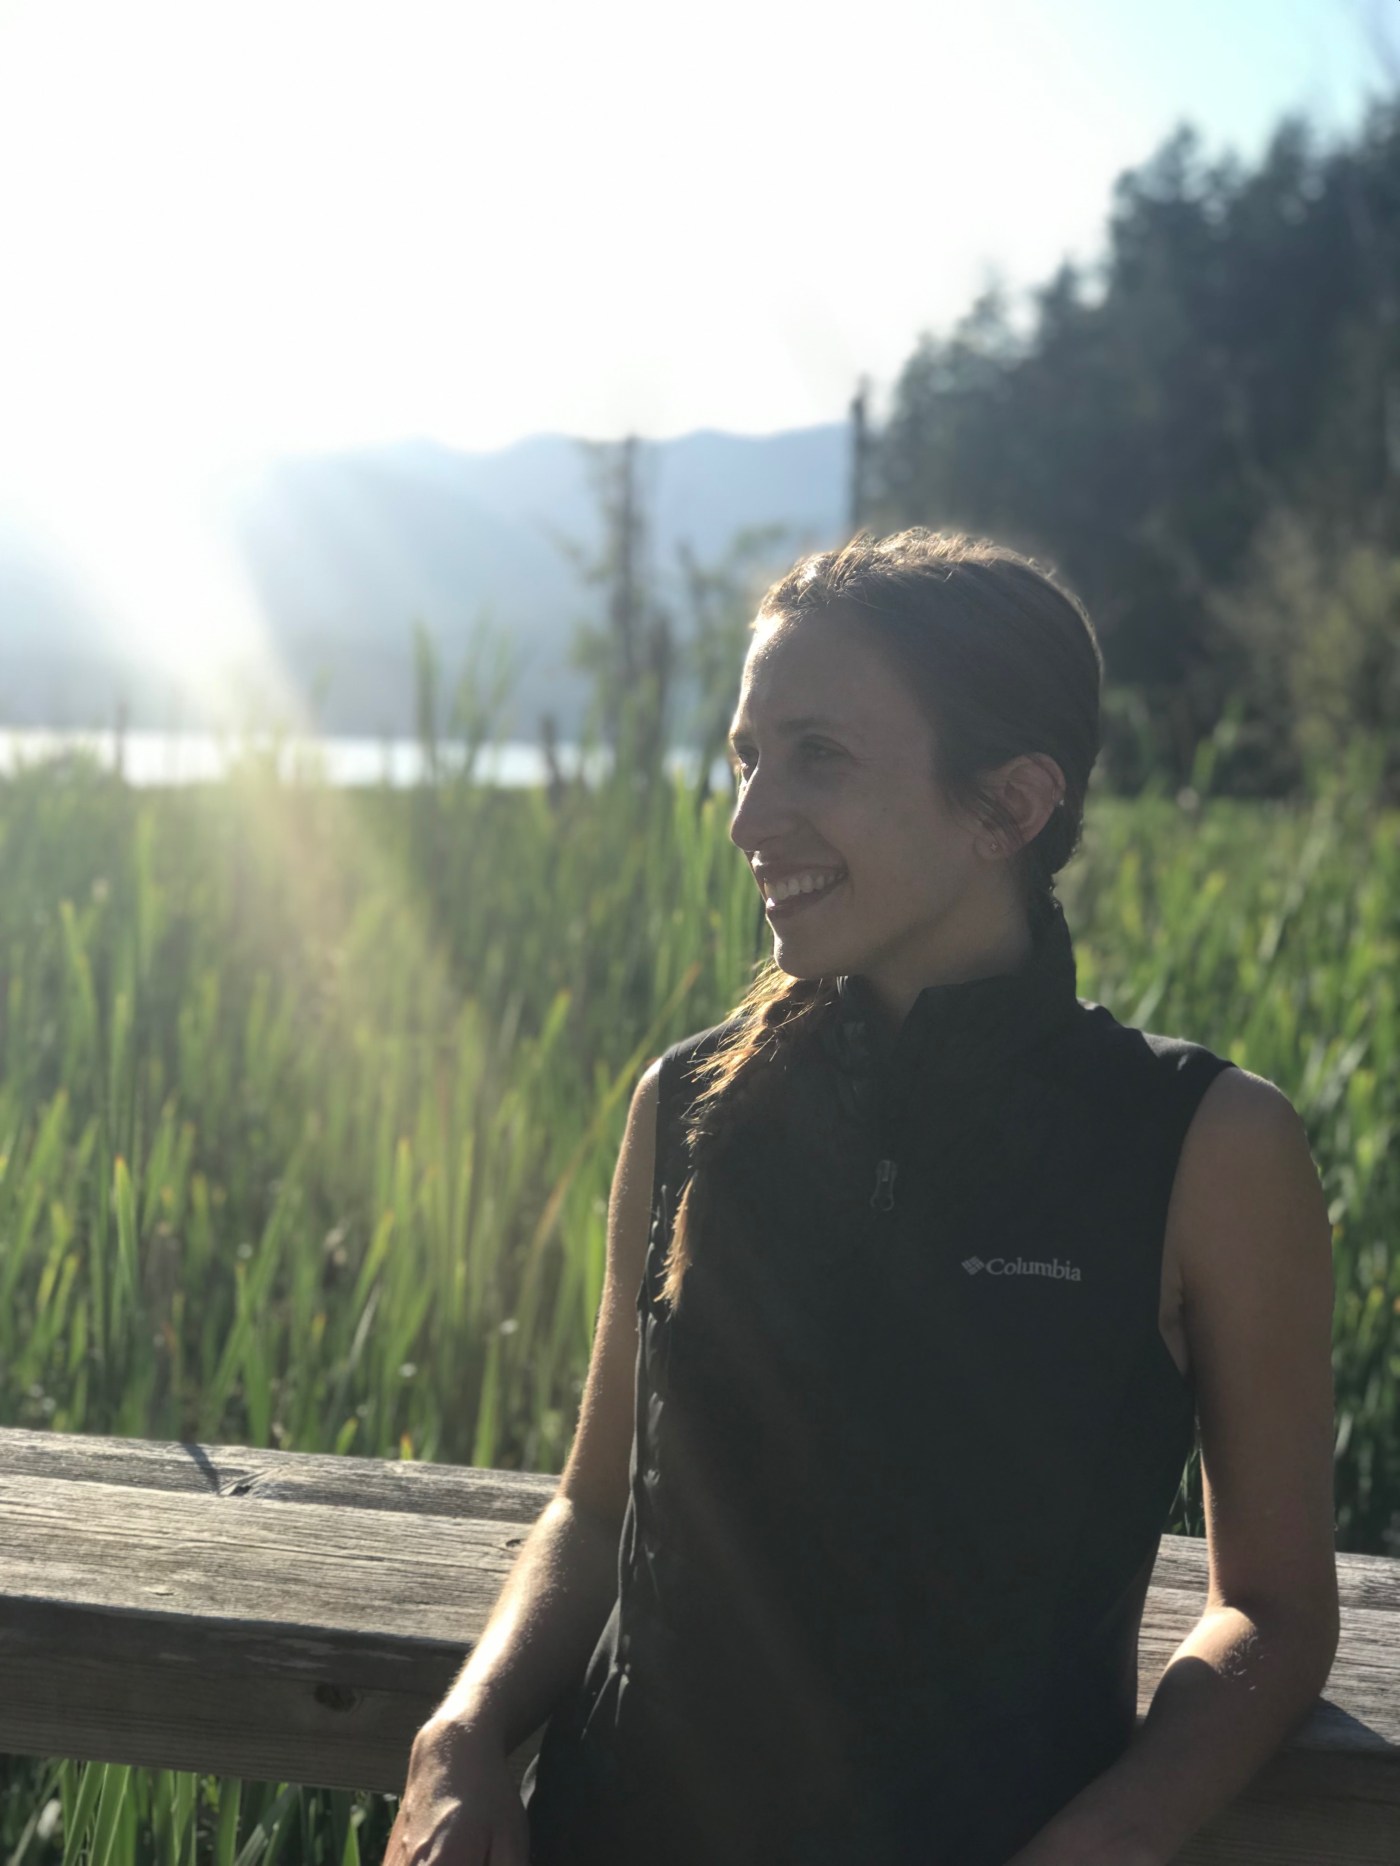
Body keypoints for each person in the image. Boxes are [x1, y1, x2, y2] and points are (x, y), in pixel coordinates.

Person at [384, 530, 1339, 1866]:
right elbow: (597, 1512)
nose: (748, 818)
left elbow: (1277, 1611)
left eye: (818, 756)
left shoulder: (1205, 1145)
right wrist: (463, 1733)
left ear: (1009, 805)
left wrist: (1106, 1839)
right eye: (746, 756)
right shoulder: (689, 1102)